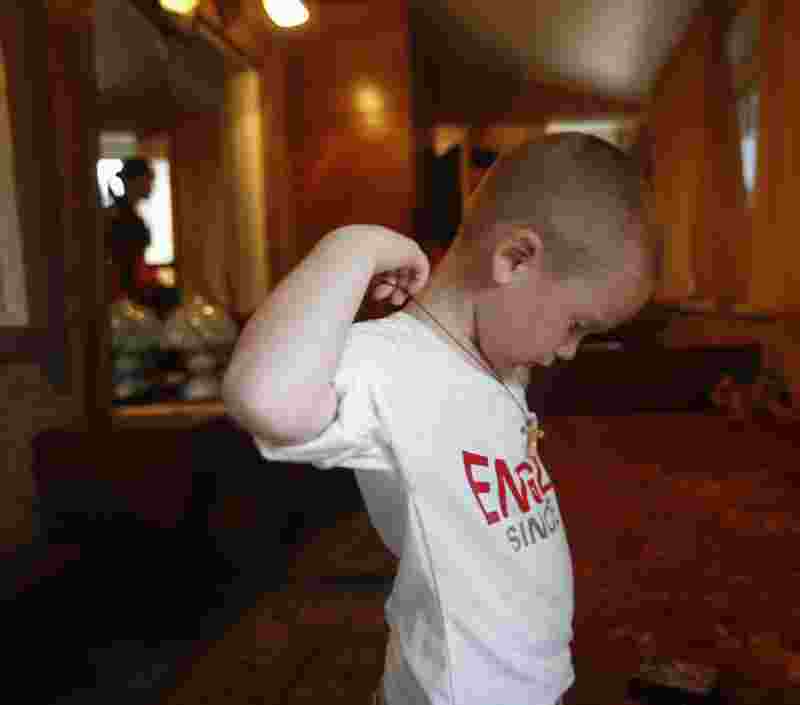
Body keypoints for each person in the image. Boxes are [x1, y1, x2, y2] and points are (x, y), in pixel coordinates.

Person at [222, 133, 663, 705]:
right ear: (515, 259)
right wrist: (352, 248)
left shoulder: (500, 361)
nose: (569, 350)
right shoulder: (392, 362)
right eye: (576, 325)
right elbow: (264, 399)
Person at [105, 158, 154, 301]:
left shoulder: (130, 213)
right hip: (124, 292)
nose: (151, 184)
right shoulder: (118, 214)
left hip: (133, 289)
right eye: (149, 178)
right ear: (136, 180)